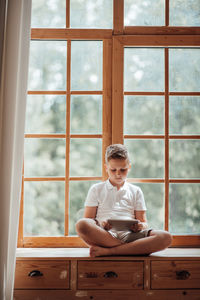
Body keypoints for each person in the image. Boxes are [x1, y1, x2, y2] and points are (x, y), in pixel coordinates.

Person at [76, 144, 172, 257]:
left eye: (123, 169)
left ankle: (110, 251)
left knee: (166, 238)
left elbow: (144, 223)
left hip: (131, 236)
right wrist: (101, 225)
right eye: (113, 170)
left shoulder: (136, 191)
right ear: (106, 167)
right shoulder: (96, 189)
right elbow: (89, 220)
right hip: (105, 235)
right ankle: (130, 249)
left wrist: (140, 226)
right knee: (81, 224)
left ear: (129, 167)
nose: (118, 174)